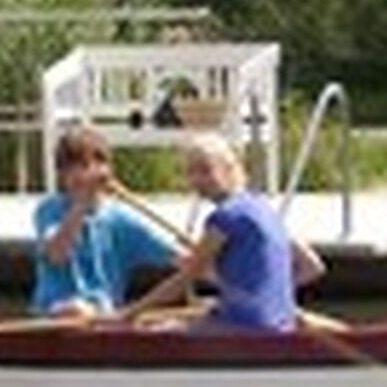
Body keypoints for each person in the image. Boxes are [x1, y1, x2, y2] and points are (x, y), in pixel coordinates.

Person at [126, 133, 326, 331]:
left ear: (229, 169)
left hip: (245, 328)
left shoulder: (225, 216)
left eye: (205, 170)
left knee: (154, 327)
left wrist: (129, 313)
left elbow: (184, 279)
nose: (196, 180)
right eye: (191, 172)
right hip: (279, 324)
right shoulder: (264, 209)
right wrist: (263, 296)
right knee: (190, 312)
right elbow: (312, 266)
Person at [30, 125, 182, 317]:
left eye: (86, 165)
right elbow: (57, 254)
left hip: (103, 315)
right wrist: (81, 205)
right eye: (70, 168)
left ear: (106, 170)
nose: (79, 174)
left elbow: (181, 259)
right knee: (75, 308)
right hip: (55, 313)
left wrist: (212, 267)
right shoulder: (50, 210)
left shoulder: (121, 221)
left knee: (84, 309)